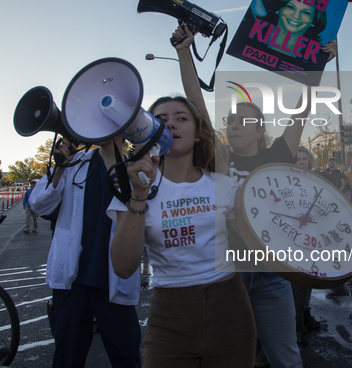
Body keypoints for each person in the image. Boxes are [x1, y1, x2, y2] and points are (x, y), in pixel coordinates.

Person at [108, 25, 256, 367]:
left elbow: (257, 238)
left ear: (197, 130)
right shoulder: (133, 188)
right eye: (160, 119)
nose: (171, 124)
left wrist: (184, 53)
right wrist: (139, 197)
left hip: (230, 307)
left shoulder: (223, 184)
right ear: (145, 130)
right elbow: (123, 266)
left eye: (181, 118)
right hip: (168, 316)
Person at [222, 40, 337, 366]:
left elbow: (302, 109)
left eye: (244, 120)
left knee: (286, 358)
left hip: (272, 274)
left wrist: (320, 64)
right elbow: (198, 112)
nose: (234, 125)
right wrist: (184, 52)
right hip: (230, 274)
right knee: (232, 357)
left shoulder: (276, 157)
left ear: (260, 130)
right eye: (230, 121)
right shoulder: (218, 160)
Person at [29, 142, 141, 365]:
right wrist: (59, 168)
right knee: (67, 357)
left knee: (126, 355)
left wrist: (137, 190)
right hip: (73, 281)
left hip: (115, 278)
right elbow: (39, 205)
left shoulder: (136, 168)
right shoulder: (74, 163)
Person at [292, 147, 321, 340]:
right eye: (298, 159)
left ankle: (305, 312)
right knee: (295, 281)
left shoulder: (316, 183)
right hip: (293, 238)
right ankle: (297, 323)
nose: (302, 162)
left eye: (304, 158)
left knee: (308, 277)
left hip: (311, 237)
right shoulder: (288, 182)